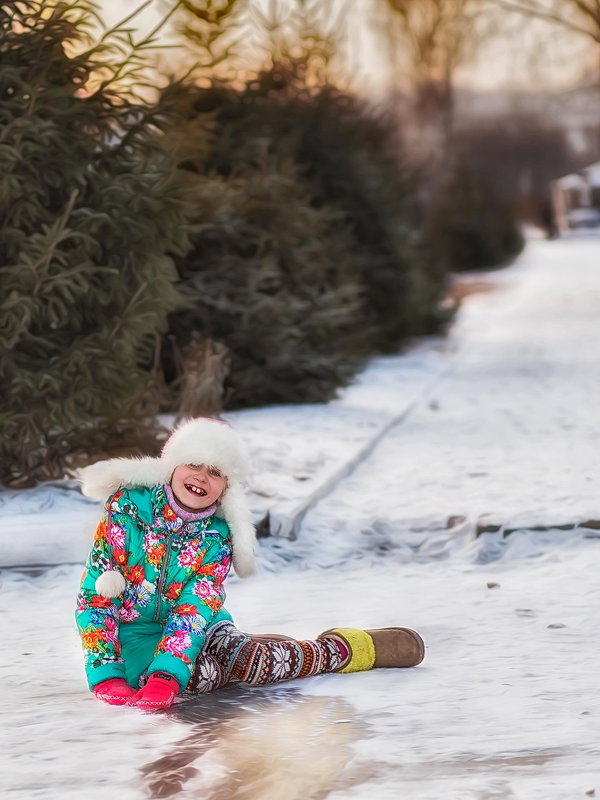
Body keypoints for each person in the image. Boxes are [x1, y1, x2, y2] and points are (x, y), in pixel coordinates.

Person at [76, 417, 425, 710]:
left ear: (227, 487)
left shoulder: (216, 535)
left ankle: (342, 649)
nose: (201, 476)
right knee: (202, 676)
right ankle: (241, 655)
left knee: (257, 665)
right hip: (134, 637)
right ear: (172, 467)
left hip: (201, 624)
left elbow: (195, 606)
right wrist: (106, 672)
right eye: (193, 464)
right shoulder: (128, 511)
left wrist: (167, 673)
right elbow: (96, 596)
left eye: (215, 472)